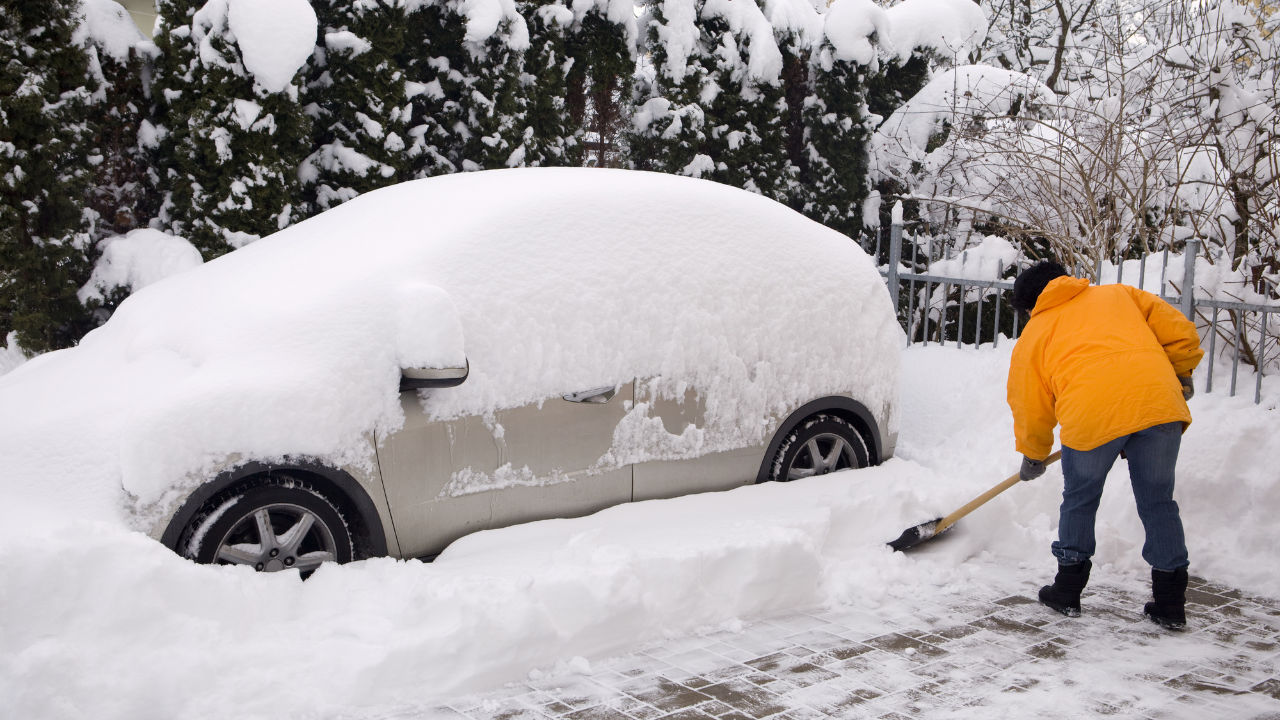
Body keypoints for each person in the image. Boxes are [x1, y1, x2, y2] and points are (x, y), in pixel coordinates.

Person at [1007, 260, 1203, 629]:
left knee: (1080, 499)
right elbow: (1182, 333)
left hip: (1092, 414)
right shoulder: (1120, 294)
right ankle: (1171, 605)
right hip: (1159, 405)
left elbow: (1030, 404)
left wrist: (1033, 454)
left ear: (1030, 304)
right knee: (1159, 502)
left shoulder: (1034, 334)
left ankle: (1067, 592)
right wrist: (1179, 372)